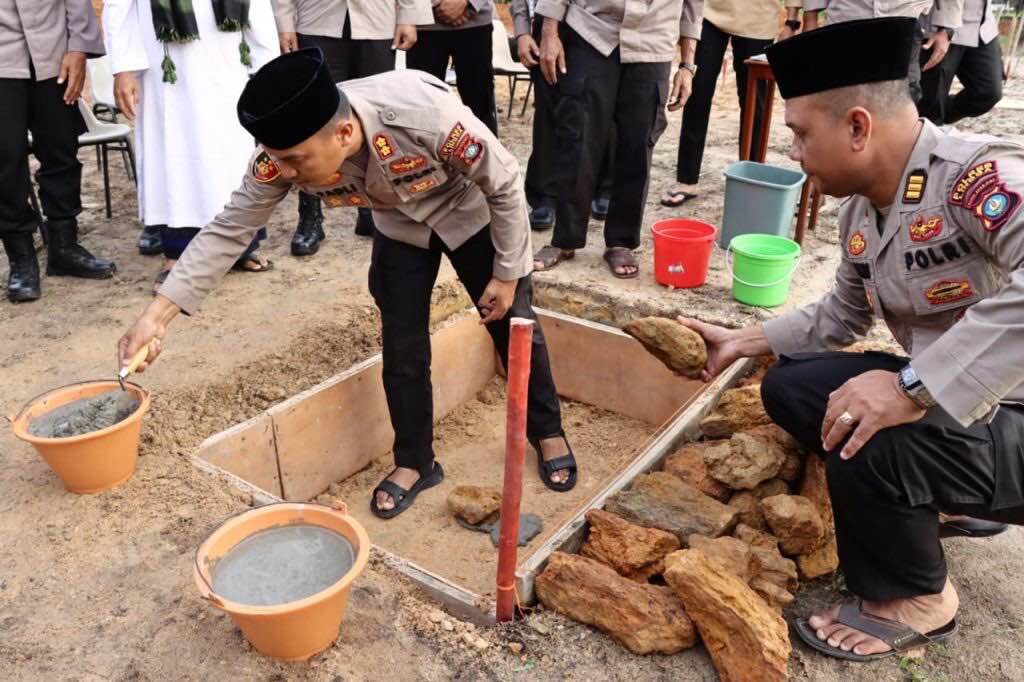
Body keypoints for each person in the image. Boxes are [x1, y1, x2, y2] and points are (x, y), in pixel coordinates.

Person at [678, 17, 1022, 662]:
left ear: (858, 127)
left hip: (1014, 412)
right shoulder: (866, 208)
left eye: (802, 134)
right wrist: (744, 339)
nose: (796, 153)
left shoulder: (977, 179)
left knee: (870, 422)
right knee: (792, 386)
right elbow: (841, 313)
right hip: (963, 411)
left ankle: (918, 600)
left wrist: (910, 388)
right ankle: (946, 501)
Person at [117, 48, 578, 518]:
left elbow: (502, 183)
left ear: (343, 132)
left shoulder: (423, 115)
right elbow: (228, 230)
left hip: (468, 212)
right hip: (399, 225)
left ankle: (546, 430)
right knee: (402, 347)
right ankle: (416, 462)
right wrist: (156, 317)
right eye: (280, 161)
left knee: (513, 322)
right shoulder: (283, 153)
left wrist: (507, 273)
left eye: (296, 162)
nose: (287, 174)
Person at [104, 0, 280, 292]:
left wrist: (266, 59)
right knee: (176, 155)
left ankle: (240, 247)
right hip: (167, 68)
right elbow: (118, 5)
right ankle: (176, 255)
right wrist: (123, 69)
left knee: (229, 153)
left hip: (226, 59)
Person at [530, 0, 705, 279]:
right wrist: (550, 32)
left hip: (652, 38)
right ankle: (564, 239)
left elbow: (693, 5)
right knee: (577, 138)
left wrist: (687, 65)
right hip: (591, 30)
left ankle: (621, 241)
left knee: (638, 143)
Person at [273, 0, 433, 248]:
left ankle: (373, 210)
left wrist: (409, 15)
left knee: (375, 116)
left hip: (378, 17)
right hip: (316, 18)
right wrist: (284, 23)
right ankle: (310, 217)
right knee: (313, 120)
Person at [1, 0, 117, 303]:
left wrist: (78, 48)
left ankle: (64, 248)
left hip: (54, 51)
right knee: (5, 160)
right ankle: (21, 259)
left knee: (61, 148)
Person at [661, 0, 803, 208]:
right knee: (698, 92)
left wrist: (791, 21)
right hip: (709, 12)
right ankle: (687, 179)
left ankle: (753, 178)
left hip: (759, 18)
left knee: (755, 103)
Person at [511, 0, 615, 231]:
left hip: (598, 23)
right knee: (548, 112)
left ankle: (604, 187)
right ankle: (545, 195)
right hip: (545, 23)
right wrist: (522, 32)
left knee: (601, 107)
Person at [800, 1, 963, 103]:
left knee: (904, 99)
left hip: (905, 20)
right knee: (841, 98)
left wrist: (946, 28)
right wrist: (810, 17)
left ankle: (889, 155)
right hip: (847, 18)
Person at [407, 0, 498, 134]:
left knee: (480, 107)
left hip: (475, 23)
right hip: (423, 24)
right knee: (423, 108)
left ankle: (484, 153)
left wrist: (468, 2)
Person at [918, 0, 1003, 125]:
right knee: (932, 103)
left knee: (988, 93)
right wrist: (945, 27)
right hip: (940, 24)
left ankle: (926, 122)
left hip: (982, 25)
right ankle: (929, 125)